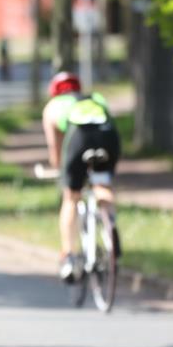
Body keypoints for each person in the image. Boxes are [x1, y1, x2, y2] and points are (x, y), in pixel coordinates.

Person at [41, 71, 121, 282]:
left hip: (79, 139)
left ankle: (68, 256)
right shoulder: (96, 98)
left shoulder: (52, 107)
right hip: (107, 137)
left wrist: (61, 170)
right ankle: (111, 231)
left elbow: (55, 148)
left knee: (71, 197)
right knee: (102, 185)